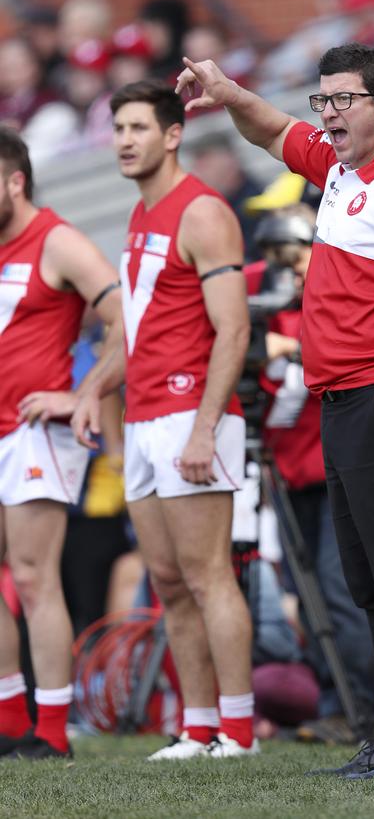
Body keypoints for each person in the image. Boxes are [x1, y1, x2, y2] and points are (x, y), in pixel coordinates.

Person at [176, 42, 374, 778]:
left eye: (342, 99)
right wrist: (229, 90)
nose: (328, 113)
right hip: (342, 400)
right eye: (323, 99)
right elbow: (272, 130)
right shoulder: (343, 166)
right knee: (367, 582)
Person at [71, 80, 257, 762]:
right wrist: (93, 389)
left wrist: (207, 426)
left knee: (210, 575)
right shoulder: (140, 214)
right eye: (118, 127)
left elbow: (233, 329)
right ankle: (197, 725)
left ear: (173, 134)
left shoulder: (203, 212)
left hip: (190, 413)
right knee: (169, 581)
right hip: (146, 414)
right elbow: (137, 331)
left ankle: (238, 732)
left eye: (138, 127)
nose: (124, 139)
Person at [0, 126, 121, 760]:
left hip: (34, 431)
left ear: (14, 181)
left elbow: (128, 316)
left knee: (33, 575)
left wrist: (85, 393)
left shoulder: (57, 240)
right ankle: (9, 719)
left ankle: (52, 732)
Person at [249, 205, 374, 744]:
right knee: (307, 598)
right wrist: (260, 340)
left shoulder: (334, 288)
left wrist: (290, 346)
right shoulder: (266, 292)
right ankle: (331, 704)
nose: (290, 269)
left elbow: (351, 351)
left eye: (297, 256)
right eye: (279, 258)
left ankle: (362, 710)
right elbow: (211, 308)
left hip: (334, 470)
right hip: (286, 471)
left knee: (337, 588)